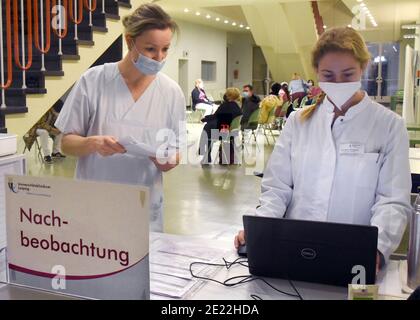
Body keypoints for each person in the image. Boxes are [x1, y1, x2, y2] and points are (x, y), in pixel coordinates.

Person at [235, 27, 411, 273]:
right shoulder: (298, 122)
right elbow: (277, 188)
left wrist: (377, 247)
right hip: (295, 251)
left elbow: (392, 200)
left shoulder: (389, 126)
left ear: (363, 67)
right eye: (328, 75)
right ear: (316, 72)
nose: (338, 83)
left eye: (348, 74)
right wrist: (260, 229)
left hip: (354, 256)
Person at [55, 3, 186, 232]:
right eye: (150, 49)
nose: (159, 57)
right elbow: (65, 143)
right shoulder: (94, 81)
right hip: (95, 205)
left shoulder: (171, 92)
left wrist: (165, 159)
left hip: (144, 209)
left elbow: (174, 154)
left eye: (165, 49)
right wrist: (92, 143)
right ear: (129, 41)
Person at [198, 88, 242, 164]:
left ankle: (206, 155)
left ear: (229, 96)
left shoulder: (225, 106)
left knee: (207, 129)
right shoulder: (238, 107)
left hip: (224, 133)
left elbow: (215, 116)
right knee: (209, 128)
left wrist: (204, 119)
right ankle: (205, 154)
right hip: (233, 132)